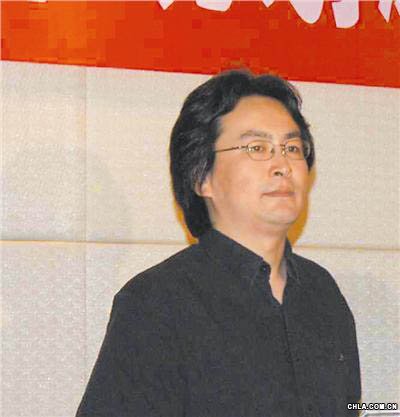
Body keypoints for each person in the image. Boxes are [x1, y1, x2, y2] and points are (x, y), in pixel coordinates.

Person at [76, 69, 361, 417]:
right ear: (202, 177)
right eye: (257, 148)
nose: (282, 165)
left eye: (292, 148)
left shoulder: (322, 292)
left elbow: (352, 406)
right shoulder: (156, 303)